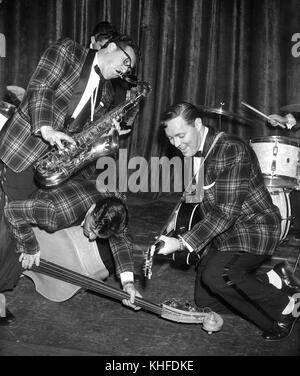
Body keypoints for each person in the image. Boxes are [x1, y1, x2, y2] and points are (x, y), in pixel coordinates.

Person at [157, 101, 300, 341]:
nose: (176, 144)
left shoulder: (231, 149)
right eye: (170, 138)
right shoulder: (193, 152)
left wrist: (181, 244)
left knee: (218, 276)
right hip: (226, 233)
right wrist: (172, 223)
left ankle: (284, 308)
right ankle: (274, 279)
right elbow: (194, 196)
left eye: (180, 135)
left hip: (255, 228)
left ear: (199, 124)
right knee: (205, 300)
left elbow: (225, 213)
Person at [0, 32, 138, 203]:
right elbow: (42, 87)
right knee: (11, 210)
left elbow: (87, 131)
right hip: (26, 146)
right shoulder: (69, 50)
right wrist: (47, 130)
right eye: (125, 62)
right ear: (111, 48)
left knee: (31, 214)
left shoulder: (108, 92)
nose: (125, 71)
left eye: (129, 69)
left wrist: (104, 132)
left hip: (56, 165)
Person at [0, 183, 141, 325]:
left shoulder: (115, 206)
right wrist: (30, 247)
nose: (91, 237)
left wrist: (128, 283)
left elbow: (122, 240)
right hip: (34, 209)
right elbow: (12, 211)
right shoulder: (53, 213)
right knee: (7, 249)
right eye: (92, 229)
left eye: (98, 235)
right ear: (92, 208)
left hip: (70, 198)